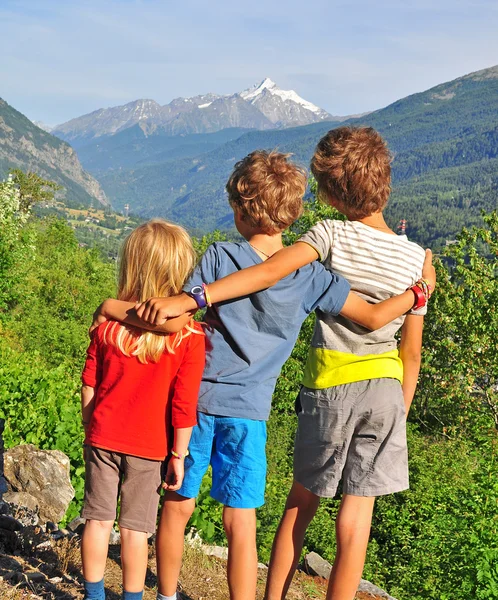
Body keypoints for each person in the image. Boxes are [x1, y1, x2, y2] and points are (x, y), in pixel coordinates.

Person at [94, 149, 434, 600]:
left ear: (239, 208)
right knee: (241, 518)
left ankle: (167, 595)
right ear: (292, 213)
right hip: (251, 413)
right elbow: (370, 316)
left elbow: (176, 321)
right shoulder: (312, 276)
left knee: (176, 505)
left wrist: (113, 309)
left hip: (194, 405)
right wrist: (419, 290)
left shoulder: (219, 258)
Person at [80, 220, 205, 600]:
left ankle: (93, 594)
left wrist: (90, 425)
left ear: (130, 267)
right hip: (150, 448)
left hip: (103, 436)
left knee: (97, 521)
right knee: (136, 531)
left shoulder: (107, 329)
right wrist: (179, 455)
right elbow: (185, 406)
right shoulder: (189, 339)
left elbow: (89, 383)